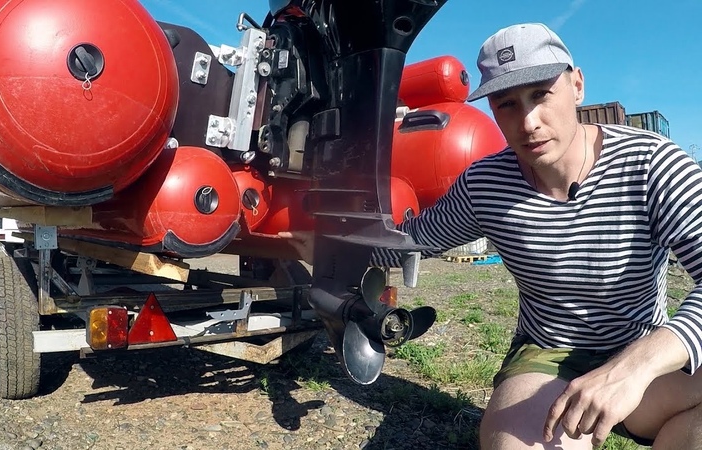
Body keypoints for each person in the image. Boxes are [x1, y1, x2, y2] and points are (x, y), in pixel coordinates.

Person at [282, 22, 702, 449]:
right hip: (548, 353)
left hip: (647, 356)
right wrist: (329, 247)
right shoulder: (486, 185)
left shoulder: (652, 165)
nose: (529, 122)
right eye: (507, 104)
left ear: (577, 85)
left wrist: (634, 368)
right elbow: (415, 240)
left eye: (541, 94)